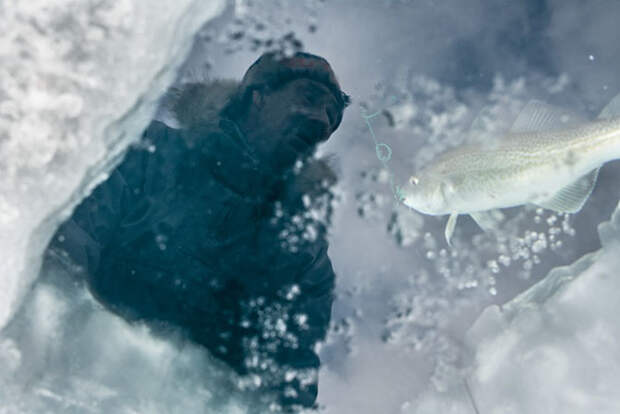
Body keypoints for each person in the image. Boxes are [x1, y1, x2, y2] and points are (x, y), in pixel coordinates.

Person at [44, 51, 349, 410]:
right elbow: (60, 264)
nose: (321, 120)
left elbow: (287, 384)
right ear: (258, 95)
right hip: (70, 383)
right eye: (309, 98)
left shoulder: (304, 257)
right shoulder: (148, 153)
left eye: (332, 113)